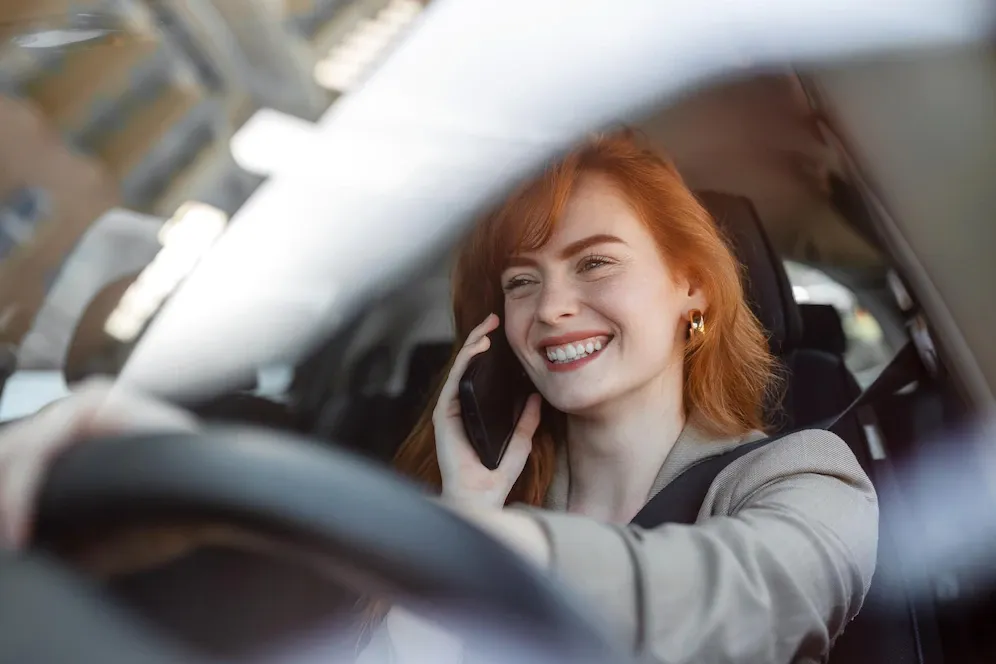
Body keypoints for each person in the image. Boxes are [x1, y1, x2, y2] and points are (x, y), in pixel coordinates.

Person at [0, 133, 878, 664]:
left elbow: (750, 602)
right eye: (522, 280)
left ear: (693, 287)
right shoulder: (492, 489)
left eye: (595, 263)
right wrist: (461, 509)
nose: (551, 307)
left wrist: (453, 542)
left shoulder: (805, 475)